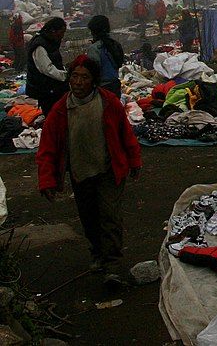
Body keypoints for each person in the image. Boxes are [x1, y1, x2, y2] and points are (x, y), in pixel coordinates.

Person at [36, 55, 141, 285]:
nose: (79, 82)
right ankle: (97, 252)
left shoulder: (108, 102)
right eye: (74, 76)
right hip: (80, 173)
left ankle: (112, 265)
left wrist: (134, 161)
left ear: (93, 80)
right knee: (89, 217)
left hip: (108, 169)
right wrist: (47, 180)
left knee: (109, 216)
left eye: (84, 77)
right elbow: (48, 147)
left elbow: (125, 133)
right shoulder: (61, 109)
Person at [26, 17, 69, 115]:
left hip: (52, 89)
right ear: (53, 31)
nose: (62, 36)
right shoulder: (40, 46)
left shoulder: (50, 42)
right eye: (61, 32)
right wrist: (66, 76)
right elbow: (47, 69)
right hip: (46, 90)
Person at [87, 15, 125, 97]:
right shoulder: (115, 45)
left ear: (93, 31)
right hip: (115, 86)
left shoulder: (95, 48)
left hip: (102, 88)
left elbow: (93, 70)